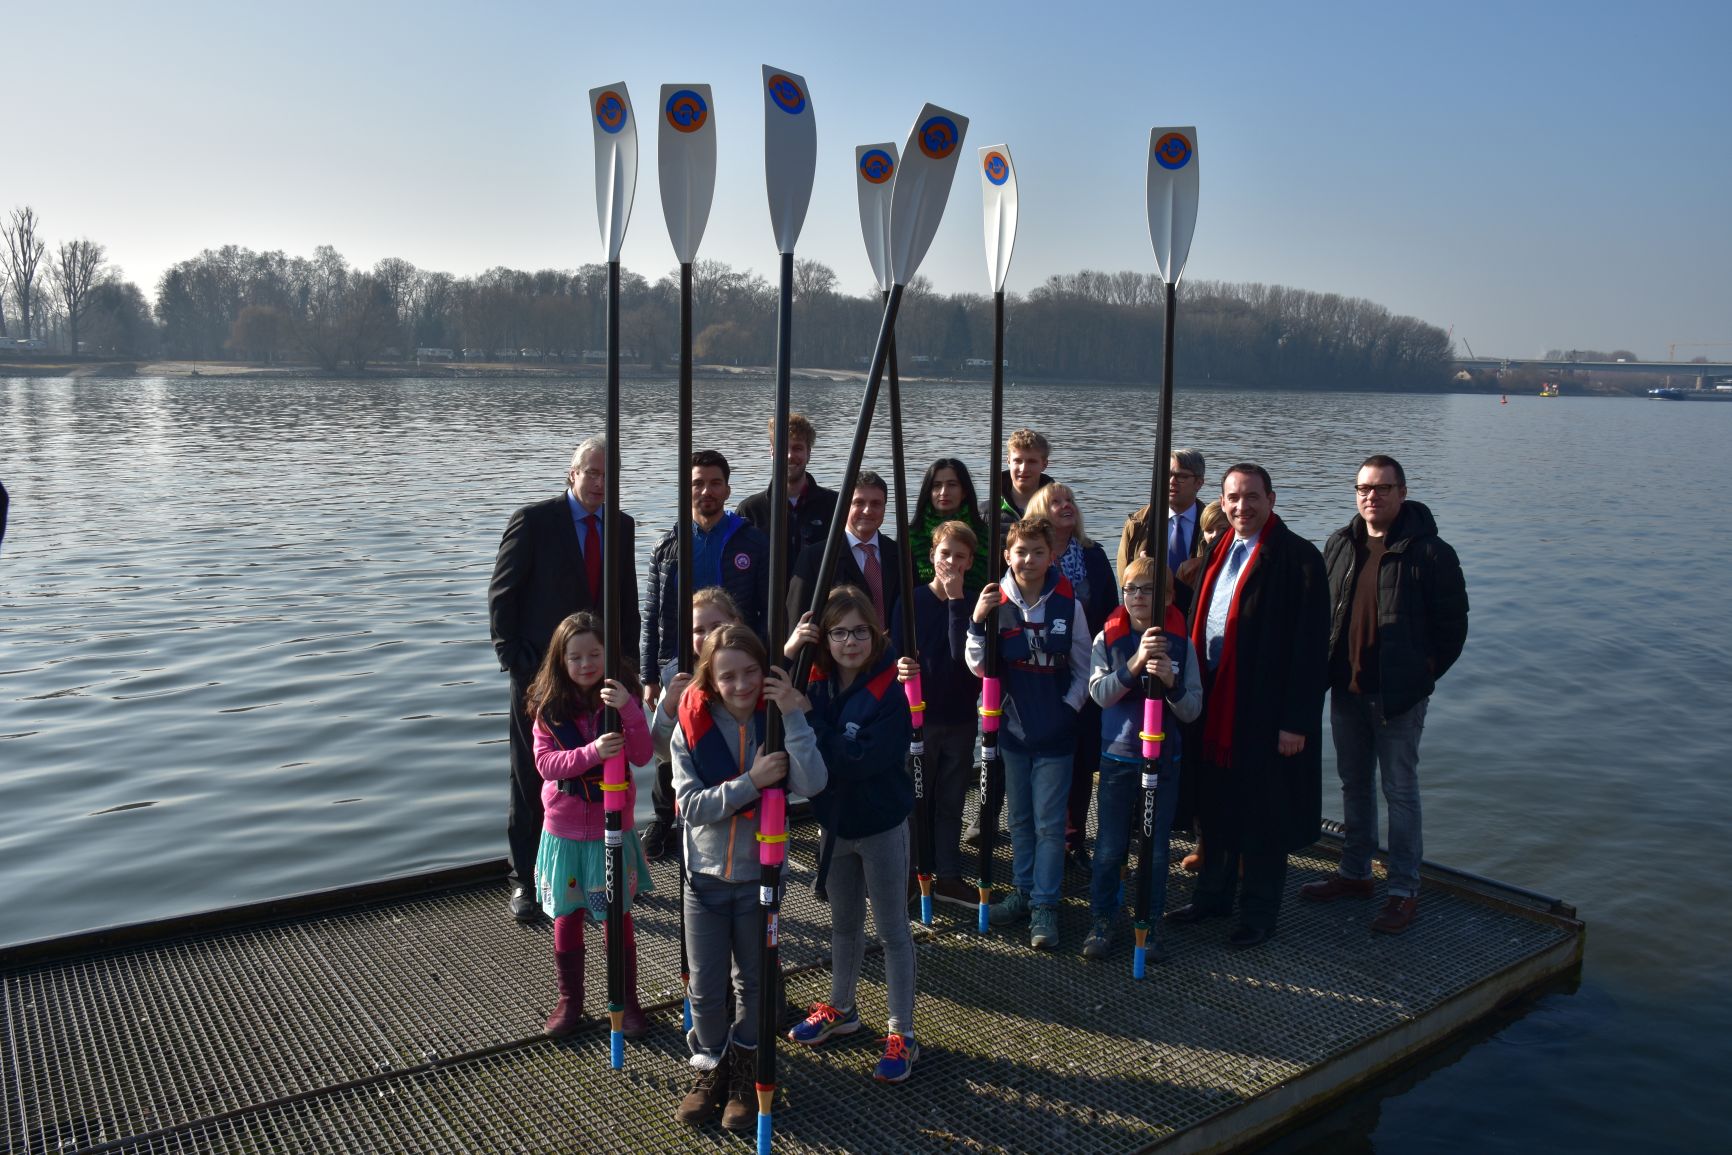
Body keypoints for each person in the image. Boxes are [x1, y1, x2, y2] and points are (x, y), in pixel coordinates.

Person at [1301, 455, 1469, 933]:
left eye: (1382, 488)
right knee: (1353, 785)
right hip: (1346, 690)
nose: (1371, 496)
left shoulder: (1431, 553)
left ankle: (1402, 889)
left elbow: (1452, 629)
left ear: (1402, 492)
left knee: (1400, 791)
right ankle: (1355, 873)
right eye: (1363, 488)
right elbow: (1322, 613)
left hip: (1399, 696)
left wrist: (1423, 676)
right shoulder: (1340, 543)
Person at [1166, 463, 1328, 949]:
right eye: (1233, 498)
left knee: (1262, 814)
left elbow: (1311, 648)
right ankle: (1212, 895)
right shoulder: (1218, 548)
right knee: (1215, 807)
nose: (1242, 506)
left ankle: (1258, 914)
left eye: (1252, 497)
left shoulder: (1298, 558)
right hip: (1214, 697)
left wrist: (1296, 721)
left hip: (1265, 706)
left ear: (1271, 499)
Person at [671, 625, 826, 1130]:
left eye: (751, 673)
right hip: (706, 880)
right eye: (728, 676)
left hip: (760, 877)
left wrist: (795, 716)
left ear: (765, 672)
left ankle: (746, 1066)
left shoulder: (775, 722)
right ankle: (711, 1063)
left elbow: (812, 782)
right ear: (711, 681)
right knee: (705, 989)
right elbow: (692, 807)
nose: (741, 685)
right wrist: (749, 783)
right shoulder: (688, 728)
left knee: (754, 984)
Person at [489, 436, 640, 922]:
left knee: (602, 769)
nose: (600, 484)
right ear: (571, 475)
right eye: (592, 474)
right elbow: (502, 595)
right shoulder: (534, 521)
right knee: (532, 770)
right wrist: (516, 660)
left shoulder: (621, 526)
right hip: (542, 675)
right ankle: (526, 878)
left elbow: (626, 604)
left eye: (608, 476)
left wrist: (629, 667)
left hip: (599, 673)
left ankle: (599, 869)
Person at [783, 587, 919, 1083]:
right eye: (838, 632)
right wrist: (789, 651)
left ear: (874, 634)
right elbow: (767, 697)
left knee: (892, 931)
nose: (849, 641)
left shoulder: (889, 693)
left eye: (860, 631)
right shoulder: (810, 680)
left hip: (881, 826)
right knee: (843, 926)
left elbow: (854, 760)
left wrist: (807, 718)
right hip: (834, 828)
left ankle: (902, 1030)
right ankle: (842, 1007)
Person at [524, 612, 654, 1038]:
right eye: (575, 657)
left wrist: (630, 710)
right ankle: (570, 1000)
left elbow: (640, 755)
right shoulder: (548, 708)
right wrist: (593, 752)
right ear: (560, 661)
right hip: (563, 830)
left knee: (616, 915)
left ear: (608, 656)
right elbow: (545, 764)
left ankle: (627, 1000)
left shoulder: (622, 698)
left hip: (610, 829)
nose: (585, 664)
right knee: (568, 914)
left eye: (595, 654)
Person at [965, 516, 1092, 951]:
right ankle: (1022, 890)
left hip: (1054, 730)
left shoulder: (1067, 605)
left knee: (1049, 823)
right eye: (1021, 551)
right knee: (1018, 818)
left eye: (1038, 552)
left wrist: (1069, 708)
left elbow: (1083, 666)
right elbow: (978, 665)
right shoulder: (994, 601)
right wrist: (978, 621)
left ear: (1051, 556)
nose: (1029, 559)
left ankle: (1045, 904)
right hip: (1013, 730)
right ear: (1007, 555)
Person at [640, 450, 771, 857]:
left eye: (714, 483)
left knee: (731, 739)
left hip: (736, 660)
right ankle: (666, 819)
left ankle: (735, 809)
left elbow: (768, 608)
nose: (706, 491)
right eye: (697, 483)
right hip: (682, 658)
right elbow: (651, 613)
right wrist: (647, 674)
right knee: (672, 743)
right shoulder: (668, 545)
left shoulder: (751, 540)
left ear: (727, 488)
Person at [1083, 558, 1201, 961]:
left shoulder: (1182, 645)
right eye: (1131, 590)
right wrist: (1134, 666)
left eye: (1149, 590)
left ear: (1167, 597)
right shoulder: (1107, 639)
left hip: (1164, 760)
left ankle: (1148, 924)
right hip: (1119, 757)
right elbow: (1099, 695)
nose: (1138, 597)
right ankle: (1102, 920)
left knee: (1155, 847)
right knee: (1110, 846)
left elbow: (1192, 710)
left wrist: (1171, 683)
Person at [1024, 482, 1119, 869]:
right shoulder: (1030, 557)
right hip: (1037, 674)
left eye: (1069, 501)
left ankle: (1073, 839)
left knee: (1080, 760)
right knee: (1040, 758)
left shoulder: (1093, 556)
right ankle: (1036, 838)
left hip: (1084, 668)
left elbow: (1111, 610)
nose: (1066, 507)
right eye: (1056, 502)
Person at [894, 520, 985, 907]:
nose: (950, 562)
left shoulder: (972, 603)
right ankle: (913, 872)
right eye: (944, 553)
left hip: (961, 718)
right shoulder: (912, 599)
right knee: (915, 800)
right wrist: (899, 666)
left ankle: (947, 874)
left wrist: (957, 602)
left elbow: (959, 656)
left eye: (959, 556)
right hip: (920, 720)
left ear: (969, 563)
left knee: (950, 800)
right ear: (932, 555)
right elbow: (896, 652)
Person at [1175, 498, 1227, 873]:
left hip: (1229, 679)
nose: (1212, 537)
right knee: (1199, 768)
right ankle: (1204, 842)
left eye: (1220, 530)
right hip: (1198, 678)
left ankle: (1235, 851)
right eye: (1207, 531)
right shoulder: (1191, 572)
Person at [787, 470, 901, 629]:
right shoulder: (814, 558)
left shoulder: (899, 554)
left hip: (892, 652)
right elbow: (797, 622)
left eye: (876, 503)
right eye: (859, 503)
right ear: (844, 505)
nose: (867, 510)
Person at [650, 587, 745, 762]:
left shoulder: (751, 669)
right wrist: (668, 708)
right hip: (697, 777)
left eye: (717, 626)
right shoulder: (677, 678)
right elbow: (661, 751)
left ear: (736, 623)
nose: (709, 636)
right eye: (699, 631)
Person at [736, 412, 838, 565]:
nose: (790, 455)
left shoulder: (836, 505)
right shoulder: (750, 510)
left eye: (797, 448)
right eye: (783, 447)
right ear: (772, 452)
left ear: (808, 453)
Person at [1116, 448, 1208, 613]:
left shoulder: (1214, 526)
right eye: (1168, 474)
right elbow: (1125, 580)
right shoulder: (1137, 524)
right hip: (1148, 613)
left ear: (1199, 483)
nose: (1172, 481)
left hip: (1196, 613)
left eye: (1181, 476)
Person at [907, 458, 991, 588]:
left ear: (964, 492)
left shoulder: (984, 534)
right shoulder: (911, 536)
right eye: (937, 485)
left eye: (952, 485)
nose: (944, 492)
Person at [998, 428, 1055, 526]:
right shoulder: (987, 512)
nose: (1023, 469)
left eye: (1032, 461)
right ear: (1008, 461)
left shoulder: (1058, 510)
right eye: (1018, 461)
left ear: (1044, 464)